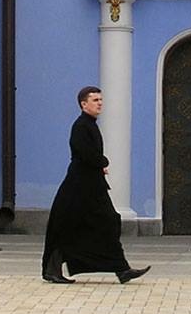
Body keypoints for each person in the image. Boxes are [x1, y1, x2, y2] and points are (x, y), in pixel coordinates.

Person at [41, 86, 150, 285]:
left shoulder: (89, 124)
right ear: (84, 104)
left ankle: (122, 269)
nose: (100, 103)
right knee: (72, 225)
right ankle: (52, 269)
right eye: (95, 100)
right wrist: (103, 162)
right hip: (80, 186)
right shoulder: (81, 125)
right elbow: (84, 153)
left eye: (101, 99)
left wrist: (99, 165)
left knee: (106, 222)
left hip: (90, 184)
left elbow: (89, 155)